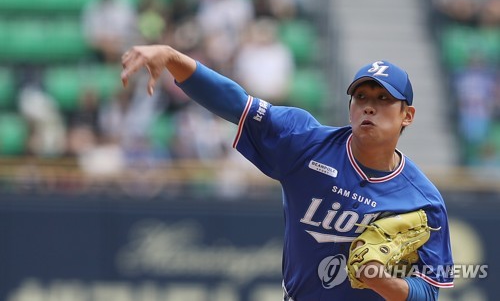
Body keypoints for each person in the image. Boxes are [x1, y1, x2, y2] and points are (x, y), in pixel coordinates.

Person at [120, 45, 454, 300]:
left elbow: (430, 288)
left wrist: (386, 283)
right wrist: (172, 57)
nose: (369, 105)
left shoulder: (422, 201)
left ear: (407, 115)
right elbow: (235, 103)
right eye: (361, 96)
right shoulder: (305, 142)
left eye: (384, 98)